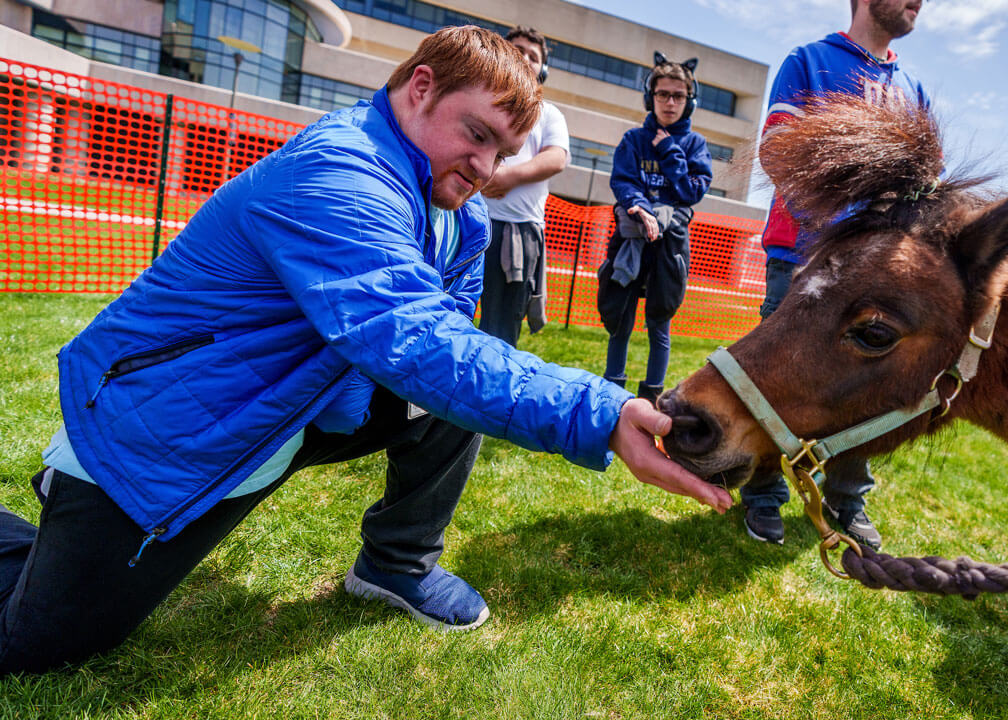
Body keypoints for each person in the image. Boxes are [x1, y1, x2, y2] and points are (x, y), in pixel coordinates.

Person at [0, 26, 731, 675]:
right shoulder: (341, 171)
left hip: (292, 405)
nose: (484, 166)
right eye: (476, 135)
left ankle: (397, 565)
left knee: (459, 396)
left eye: (502, 152)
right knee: (39, 646)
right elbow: (417, 341)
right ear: (420, 88)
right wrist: (599, 412)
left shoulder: (460, 214)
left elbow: (454, 355)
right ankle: (69, 507)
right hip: (168, 423)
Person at [742, 0, 929, 549]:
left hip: (876, 268)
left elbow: (924, 182)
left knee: (866, 383)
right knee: (773, 374)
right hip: (801, 254)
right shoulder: (809, 61)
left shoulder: (912, 89)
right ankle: (762, 493)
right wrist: (843, 222)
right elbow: (778, 151)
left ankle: (847, 498)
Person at [596, 53, 712, 403]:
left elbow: (691, 191)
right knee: (620, 321)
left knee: (660, 321)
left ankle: (650, 401)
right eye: (662, 94)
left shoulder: (694, 145)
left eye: (678, 95)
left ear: (689, 101)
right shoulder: (633, 140)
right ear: (651, 97)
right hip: (631, 237)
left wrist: (670, 152)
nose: (670, 102)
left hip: (670, 245)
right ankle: (612, 395)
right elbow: (623, 181)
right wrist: (642, 209)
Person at [478, 26, 570, 347]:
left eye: (534, 56)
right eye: (517, 50)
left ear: (542, 68)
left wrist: (506, 177)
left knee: (501, 329)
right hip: (468, 221)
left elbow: (556, 158)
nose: (525, 59)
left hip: (517, 235)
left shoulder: (549, 114)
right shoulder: (480, 97)